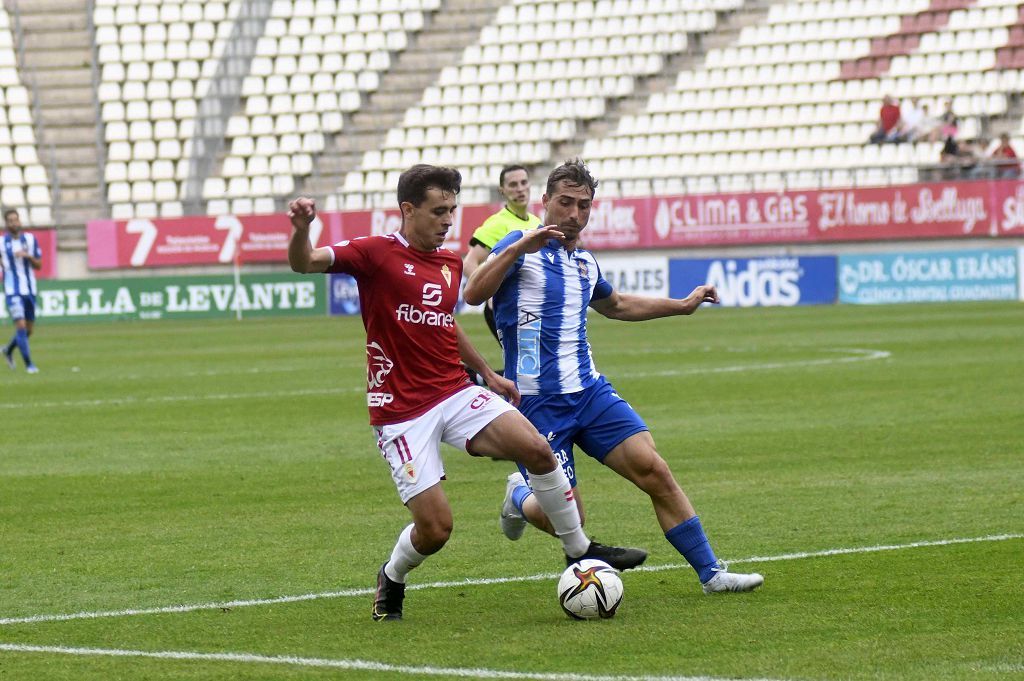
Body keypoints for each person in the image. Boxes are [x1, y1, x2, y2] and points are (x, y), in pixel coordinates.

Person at [286, 164, 645, 622]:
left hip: (454, 391)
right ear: (408, 209)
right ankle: (392, 576)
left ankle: (579, 552)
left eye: (452, 210)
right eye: (438, 211)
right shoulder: (374, 253)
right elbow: (305, 262)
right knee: (436, 530)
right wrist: (301, 230)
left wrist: (486, 374)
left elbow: (445, 323)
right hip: (400, 411)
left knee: (536, 449)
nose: (447, 220)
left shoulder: (449, 263)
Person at [463, 159, 764, 595]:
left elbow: (617, 305)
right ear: (545, 202)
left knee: (653, 469)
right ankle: (519, 497)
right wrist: (517, 248)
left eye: (584, 206)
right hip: (536, 405)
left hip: (590, 393)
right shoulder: (518, 245)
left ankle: (711, 573)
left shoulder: (584, 262)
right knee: (569, 520)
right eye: (565, 203)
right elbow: (473, 294)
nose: (574, 214)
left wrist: (681, 306)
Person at [462, 164, 542, 344]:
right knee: (525, 363)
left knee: (532, 365)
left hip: (529, 305)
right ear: (502, 191)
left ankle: (476, 374)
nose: (520, 189)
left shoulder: (536, 222)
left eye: (523, 183)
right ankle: (477, 374)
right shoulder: (497, 223)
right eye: (513, 185)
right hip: (505, 306)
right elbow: (469, 263)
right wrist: (490, 292)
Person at [1, 209, 41, 374]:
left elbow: (39, 265)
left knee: (29, 330)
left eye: (15, 220)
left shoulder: (31, 239)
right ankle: (29, 365)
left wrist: (27, 256)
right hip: (13, 290)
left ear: (20, 222)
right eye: (10, 221)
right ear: (6, 223)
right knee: (21, 326)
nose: (13, 223)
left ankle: (8, 350)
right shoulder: (2, 243)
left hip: (30, 290)